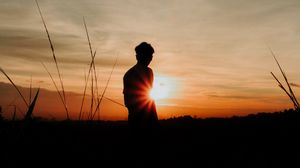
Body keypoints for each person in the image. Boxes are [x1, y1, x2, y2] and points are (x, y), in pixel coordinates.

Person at [123, 42, 159, 135]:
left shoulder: (150, 72)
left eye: (151, 56)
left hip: (150, 119)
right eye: (149, 55)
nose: (151, 58)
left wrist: (154, 118)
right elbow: (128, 101)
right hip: (136, 121)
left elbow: (149, 97)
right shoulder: (129, 74)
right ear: (138, 56)